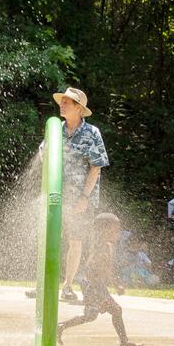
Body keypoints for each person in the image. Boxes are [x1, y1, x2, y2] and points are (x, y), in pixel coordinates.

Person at [53, 87, 109, 301]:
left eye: (67, 102)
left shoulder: (92, 133)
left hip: (80, 200)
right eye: (62, 100)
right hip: (57, 196)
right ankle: (45, 285)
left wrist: (84, 199)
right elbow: (43, 154)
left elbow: (96, 167)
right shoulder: (55, 129)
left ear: (79, 108)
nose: (62, 103)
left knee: (75, 241)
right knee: (49, 239)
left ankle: (67, 287)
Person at [57, 213, 141, 346]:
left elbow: (104, 269)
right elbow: (104, 270)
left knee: (90, 315)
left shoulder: (102, 245)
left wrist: (107, 284)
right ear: (105, 230)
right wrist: (114, 285)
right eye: (115, 229)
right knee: (116, 310)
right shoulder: (104, 246)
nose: (118, 232)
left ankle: (61, 326)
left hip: (91, 284)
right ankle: (124, 342)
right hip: (94, 285)